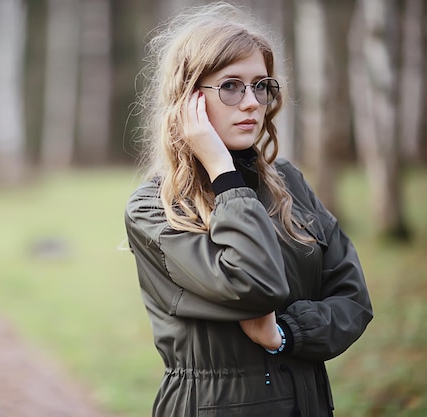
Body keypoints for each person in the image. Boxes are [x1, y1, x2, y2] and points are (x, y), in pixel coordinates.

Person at [123, 2, 373, 417]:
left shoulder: (289, 184)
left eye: (261, 85)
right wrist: (223, 172)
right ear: (188, 100)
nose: (253, 102)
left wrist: (285, 334)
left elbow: (353, 299)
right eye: (231, 86)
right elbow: (256, 285)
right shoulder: (154, 208)